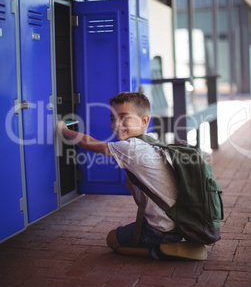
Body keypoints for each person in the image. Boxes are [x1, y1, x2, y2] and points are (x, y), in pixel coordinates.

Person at [57, 92, 207, 261]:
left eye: (124, 117)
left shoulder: (131, 147)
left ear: (144, 121)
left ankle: (158, 251)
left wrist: (63, 130)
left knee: (112, 240)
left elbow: (87, 143)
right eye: (113, 118)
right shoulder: (151, 142)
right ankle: (166, 239)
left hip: (160, 229)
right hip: (179, 224)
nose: (116, 124)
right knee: (130, 181)